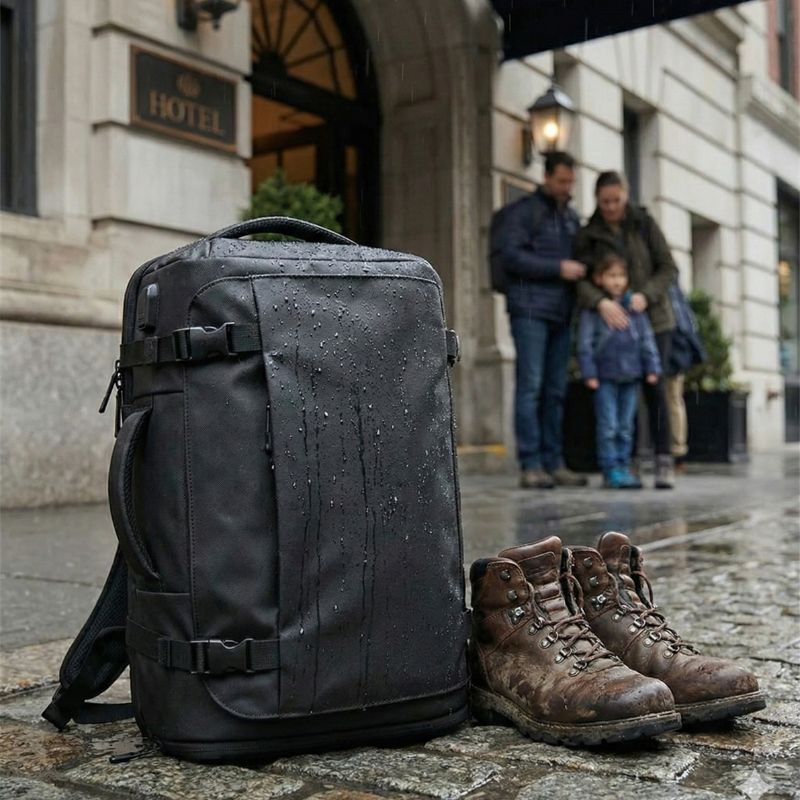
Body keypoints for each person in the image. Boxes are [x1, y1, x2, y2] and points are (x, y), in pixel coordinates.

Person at [491, 152, 588, 489]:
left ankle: (554, 462)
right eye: (561, 181)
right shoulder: (523, 212)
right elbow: (511, 256)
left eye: (570, 182)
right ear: (546, 177)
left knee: (555, 390)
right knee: (531, 387)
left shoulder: (570, 217)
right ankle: (530, 464)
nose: (567, 187)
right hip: (530, 310)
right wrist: (558, 268)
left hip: (561, 311)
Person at [575, 171, 678, 489]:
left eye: (616, 200)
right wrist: (600, 302)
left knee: (656, 390)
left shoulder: (644, 223)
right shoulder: (589, 234)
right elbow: (581, 279)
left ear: (626, 195)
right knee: (621, 398)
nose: (610, 207)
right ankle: (625, 463)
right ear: (597, 199)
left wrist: (646, 295)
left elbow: (668, 267)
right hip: (611, 322)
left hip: (652, 319)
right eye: (604, 201)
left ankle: (663, 459)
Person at [577, 253, 661, 488]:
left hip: (631, 376)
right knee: (609, 426)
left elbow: (646, 340)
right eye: (611, 275)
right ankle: (610, 468)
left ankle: (624, 466)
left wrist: (652, 367)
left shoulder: (635, 309)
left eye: (621, 276)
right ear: (599, 279)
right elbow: (585, 344)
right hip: (604, 377)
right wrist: (589, 372)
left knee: (625, 426)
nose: (617, 281)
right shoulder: (593, 311)